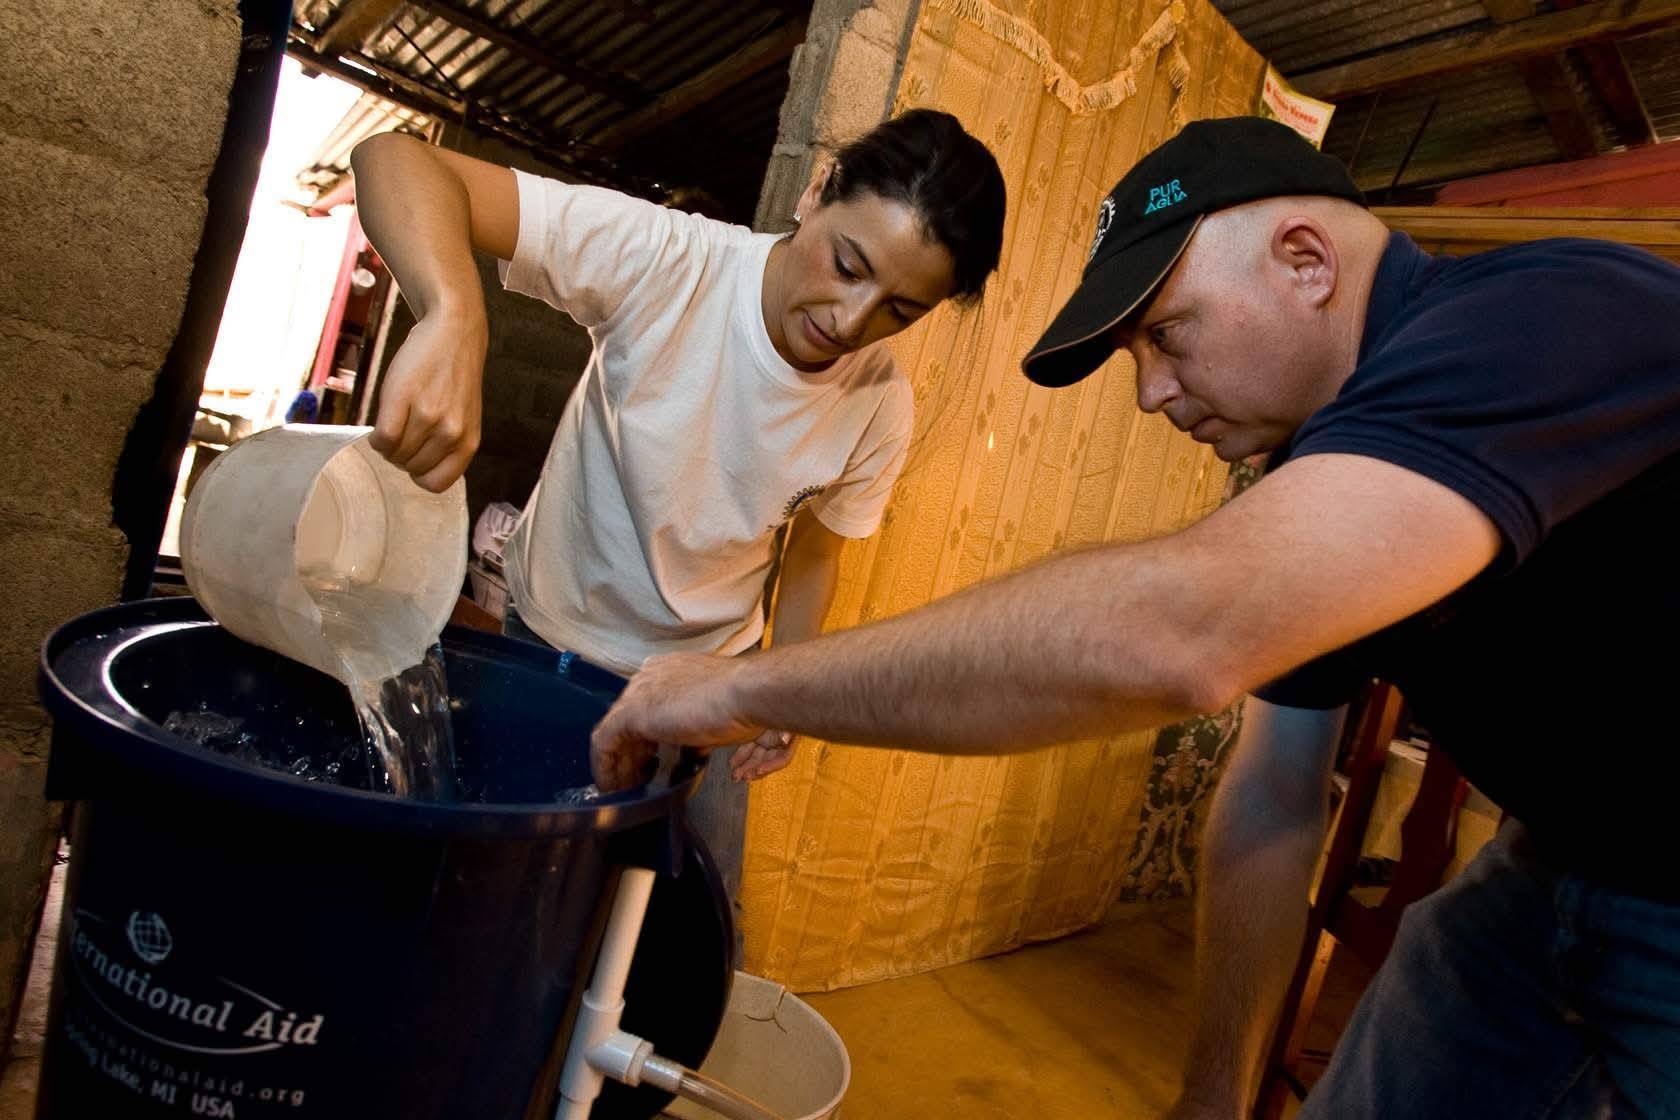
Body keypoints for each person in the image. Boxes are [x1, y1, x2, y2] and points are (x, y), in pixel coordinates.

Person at [588, 116, 1680, 1117]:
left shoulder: (1543, 316)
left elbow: (1183, 633)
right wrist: (1213, 1099)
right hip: (1565, 851)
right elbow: (1270, 798)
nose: (1152, 394)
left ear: (1306, 261)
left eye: (1166, 334)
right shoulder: (1338, 470)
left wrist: (735, 681)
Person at [350, 110, 1007, 926]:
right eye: (847, 265)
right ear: (816, 191)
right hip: (550, 644)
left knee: (643, 933)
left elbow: (811, 558)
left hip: (702, 696)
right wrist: (455, 315)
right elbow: (396, 160)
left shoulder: (881, 406)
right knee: (487, 906)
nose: (850, 321)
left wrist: (787, 689)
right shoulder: (671, 262)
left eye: (899, 311)